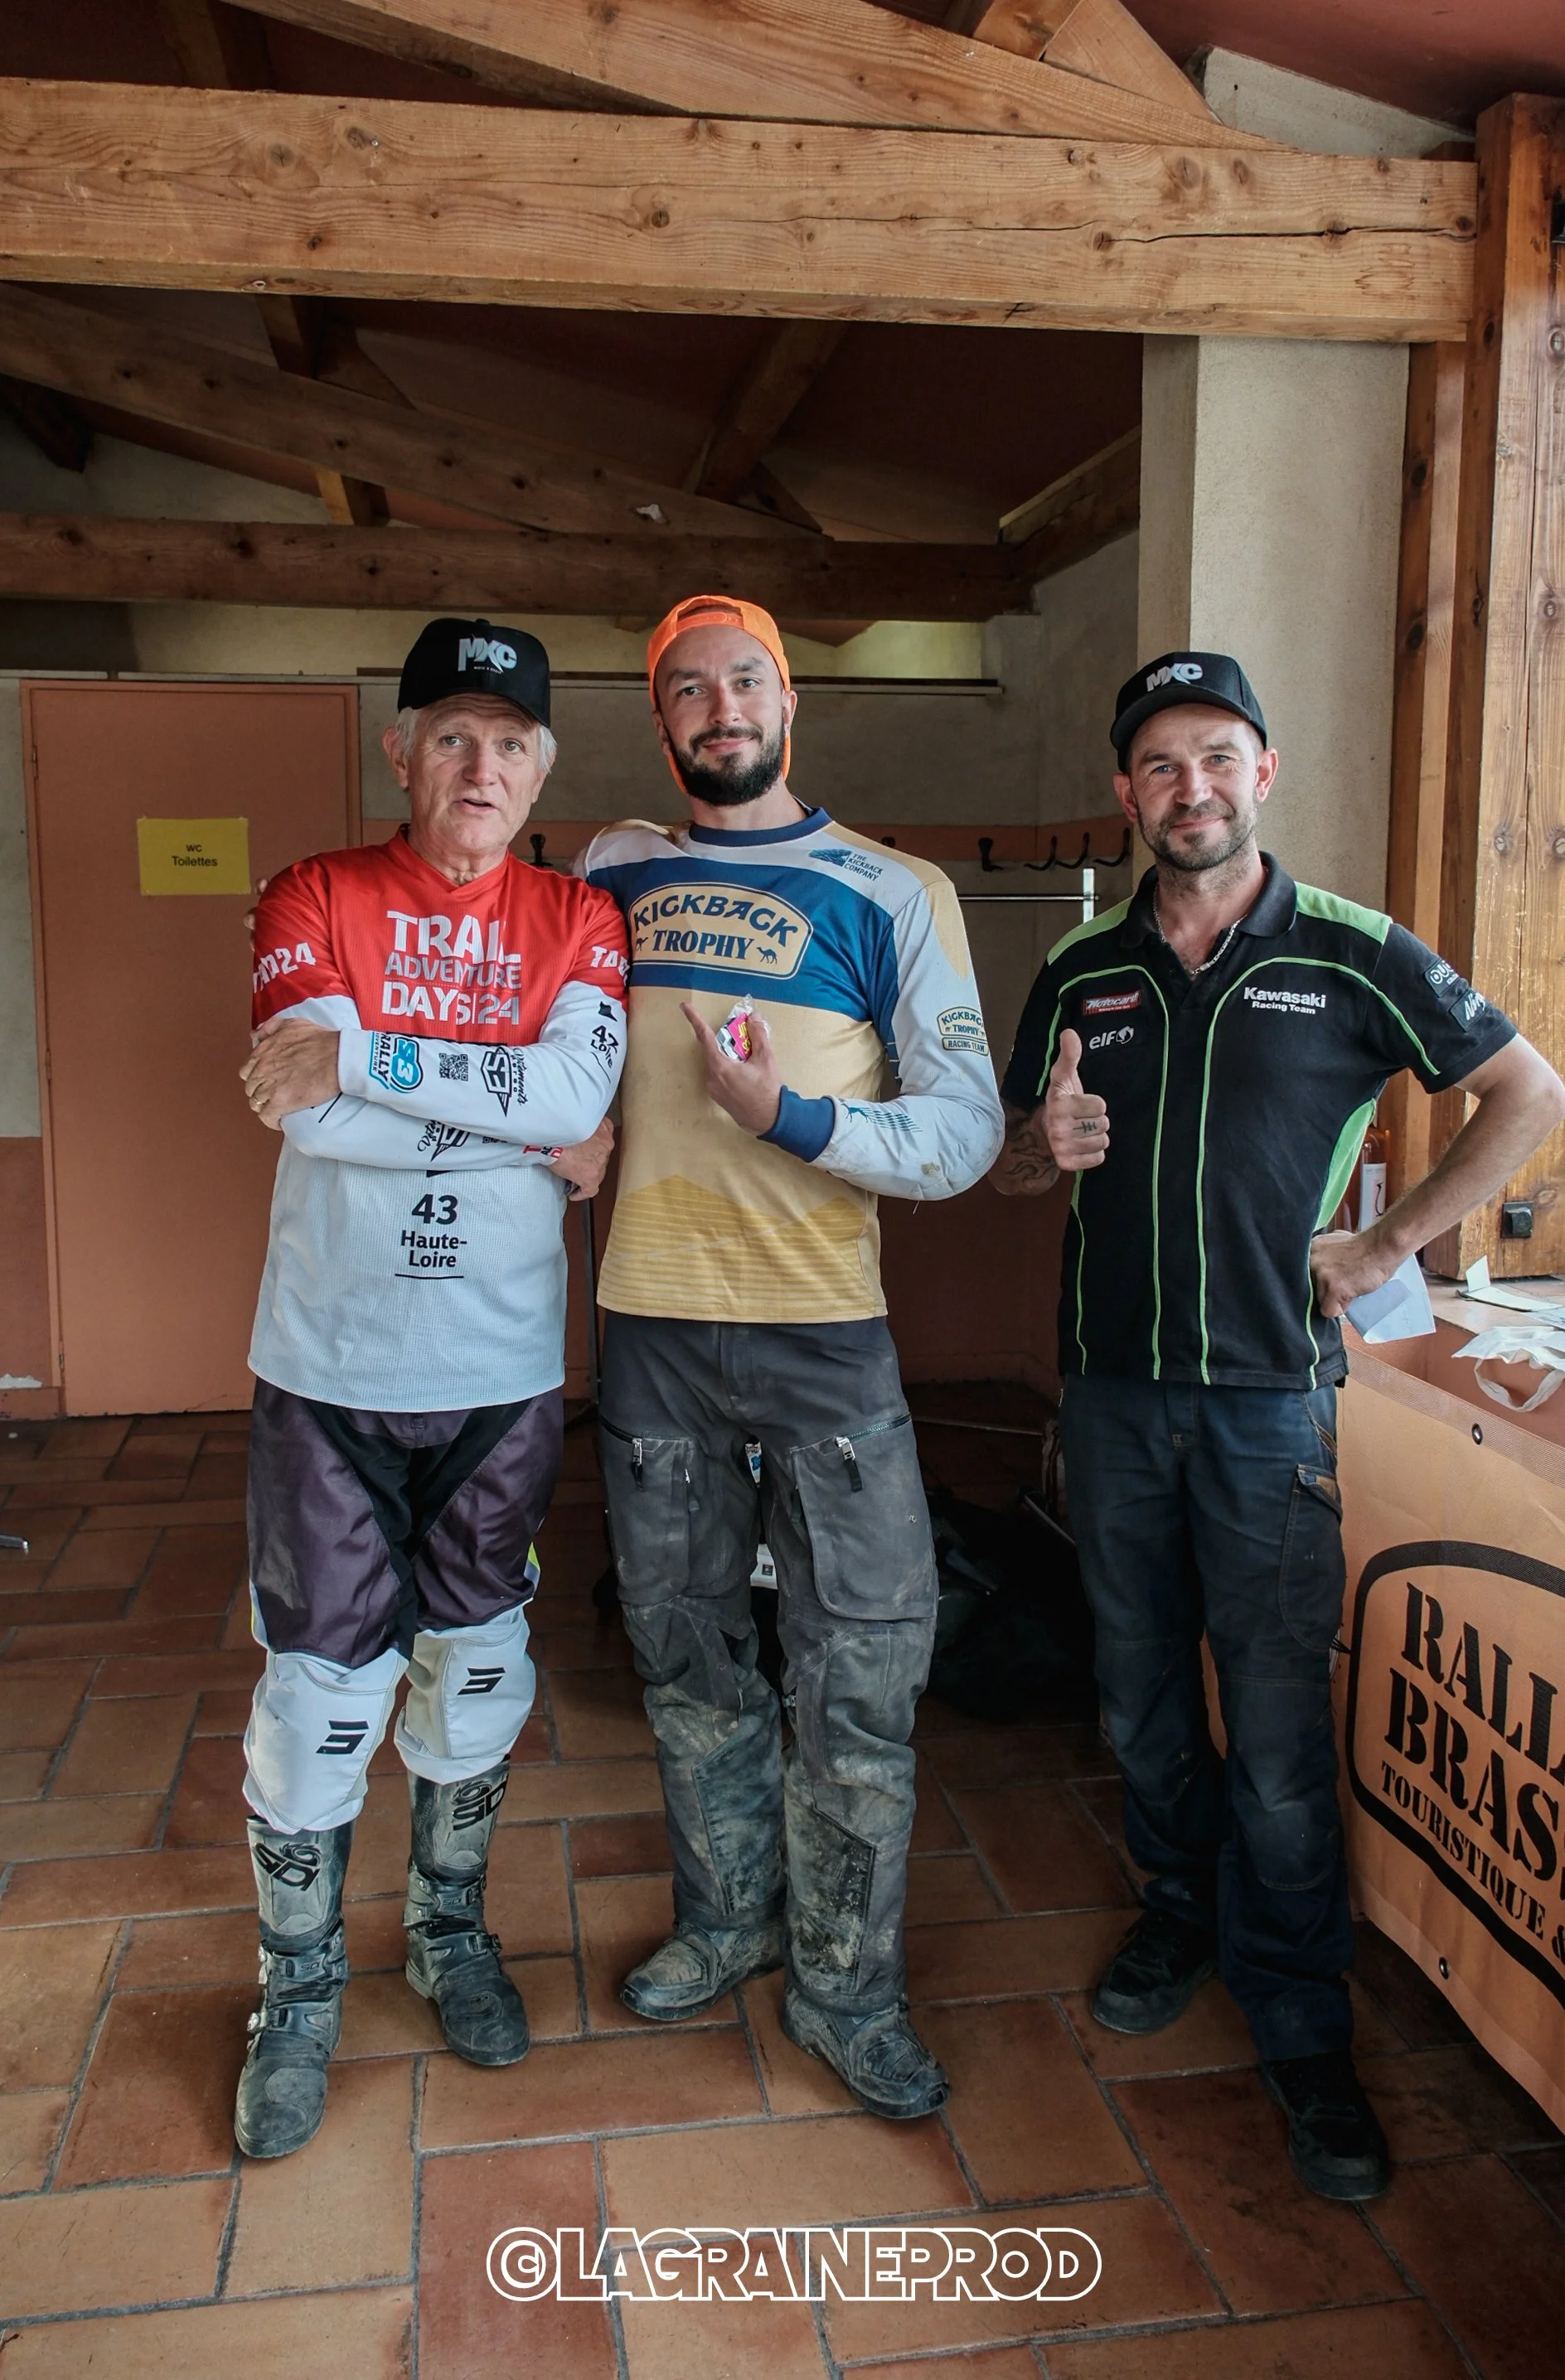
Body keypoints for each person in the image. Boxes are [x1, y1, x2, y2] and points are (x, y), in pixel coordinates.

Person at [996, 650, 1565, 2201]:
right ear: (1127, 793)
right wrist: (1032, 1146)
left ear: (1263, 774)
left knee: (1274, 1738)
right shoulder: (1082, 971)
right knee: (1135, 1695)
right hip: (1112, 1398)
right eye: (1160, 765)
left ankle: (1302, 2024)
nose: (1190, 788)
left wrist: (1395, 1248)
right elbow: (1008, 1168)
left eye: (1218, 757)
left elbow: (1532, 1096)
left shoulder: (1352, 951)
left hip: (1266, 1410)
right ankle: (1175, 1909)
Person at [579, 593, 1003, 2119]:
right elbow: (537, 1027)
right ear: (660, 718)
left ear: (787, 703)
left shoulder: (888, 891)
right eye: (684, 687)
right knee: (686, 1655)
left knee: (859, 1674)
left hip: (822, 1339)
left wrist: (794, 1121)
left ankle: (845, 1987)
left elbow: (962, 1132)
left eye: (742, 678)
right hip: (654, 1328)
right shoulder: (613, 872)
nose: (717, 707)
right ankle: (725, 1920)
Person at [232, 617, 627, 2158]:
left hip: (503, 1367)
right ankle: (301, 1986)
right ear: (400, 750)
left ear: (542, 768)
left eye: (511, 742)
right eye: (451, 735)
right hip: (329, 1366)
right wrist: (522, 1123)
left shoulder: (582, 914)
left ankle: (450, 1934)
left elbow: (576, 1095)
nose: (482, 764)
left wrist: (376, 1070)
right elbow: (310, 1114)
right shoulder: (312, 892)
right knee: (318, 1695)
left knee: (477, 1669)